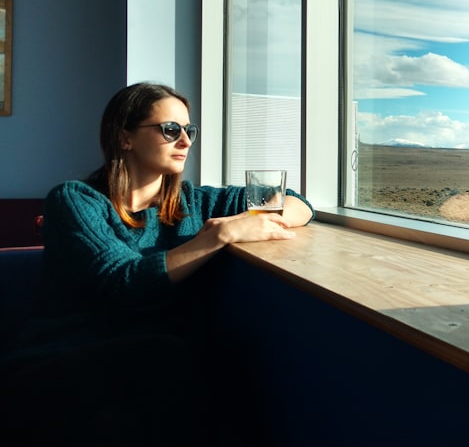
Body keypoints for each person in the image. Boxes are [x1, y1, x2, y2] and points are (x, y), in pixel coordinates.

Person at [0, 82, 313, 445]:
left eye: (189, 130)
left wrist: (270, 218)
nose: (185, 141)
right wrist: (217, 237)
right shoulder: (74, 201)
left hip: (145, 373)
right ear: (125, 137)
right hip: (58, 362)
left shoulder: (193, 203)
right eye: (170, 130)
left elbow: (295, 200)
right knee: (167, 358)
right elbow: (122, 282)